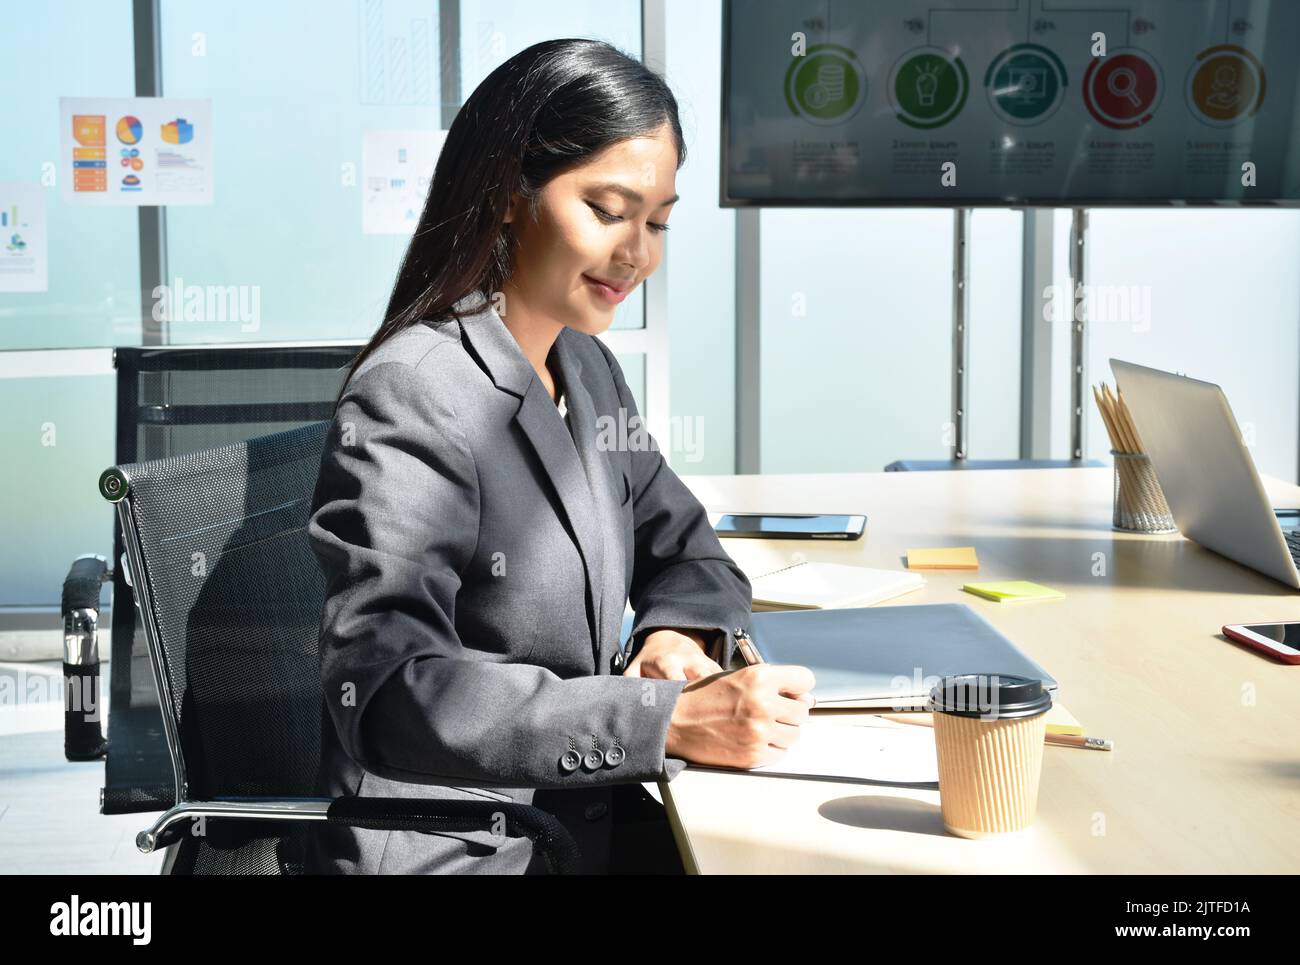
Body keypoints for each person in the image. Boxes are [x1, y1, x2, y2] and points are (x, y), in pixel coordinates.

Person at [304, 37, 815, 875]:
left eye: (657, 222)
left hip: (580, 815)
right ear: (510, 194)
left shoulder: (586, 367)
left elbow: (688, 548)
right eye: (609, 211)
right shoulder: (414, 392)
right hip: (465, 848)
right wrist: (664, 720)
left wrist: (673, 638)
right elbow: (390, 691)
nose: (638, 254)